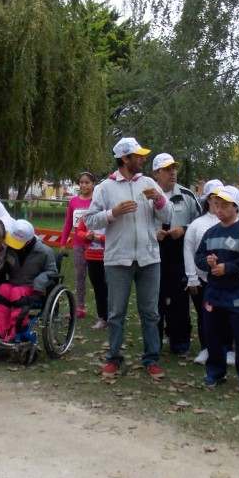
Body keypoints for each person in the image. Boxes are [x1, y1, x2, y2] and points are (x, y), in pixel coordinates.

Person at [84, 137, 172, 379]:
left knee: (151, 313)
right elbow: (89, 220)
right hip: (118, 260)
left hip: (149, 258)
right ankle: (114, 359)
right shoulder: (105, 187)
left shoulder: (149, 183)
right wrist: (113, 213)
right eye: (138, 155)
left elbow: (167, 215)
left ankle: (152, 359)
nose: (143, 159)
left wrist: (158, 199)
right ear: (125, 158)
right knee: (116, 314)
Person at [195, 185, 239, 394]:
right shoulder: (211, 232)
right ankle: (215, 372)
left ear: (235, 207)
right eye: (217, 205)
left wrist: (229, 268)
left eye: (224, 205)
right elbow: (199, 256)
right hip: (215, 293)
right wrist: (208, 262)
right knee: (213, 335)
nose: (219, 209)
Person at [152, 153, 201, 356]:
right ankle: (154, 342)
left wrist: (184, 229)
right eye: (167, 169)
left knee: (180, 299)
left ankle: (180, 342)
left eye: (174, 168)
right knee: (155, 299)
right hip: (153, 254)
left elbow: (201, 223)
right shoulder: (147, 195)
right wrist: (152, 233)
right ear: (156, 173)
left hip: (180, 253)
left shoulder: (187, 195)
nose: (173, 172)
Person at [0, 219, 57, 341]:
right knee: (3, 289)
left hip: (32, 286)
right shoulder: (10, 248)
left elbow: (52, 271)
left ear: (28, 241)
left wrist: (40, 281)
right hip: (15, 282)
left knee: (17, 292)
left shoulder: (44, 251)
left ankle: (17, 331)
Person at [184, 179, 223, 363]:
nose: (219, 201)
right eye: (215, 197)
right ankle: (206, 348)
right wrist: (192, 278)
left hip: (225, 279)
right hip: (202, 280)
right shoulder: (197, 224)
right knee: (205, 315)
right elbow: (189, 251)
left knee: (225, 315)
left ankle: (226, 349)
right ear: (208, 199)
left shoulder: (232, 222)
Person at [60, 171, 96, 320]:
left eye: (87, 182)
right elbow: (68, 223)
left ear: (93, 184)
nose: (83, 185)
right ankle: (80, 307)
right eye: (81, 182)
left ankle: (105, 309)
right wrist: (63, 242)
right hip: (78, 244)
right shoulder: (73, 201)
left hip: (95, 244)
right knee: (80, 276)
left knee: (98, 278)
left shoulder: (96, 200)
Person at [75, 208, 108, 329]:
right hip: (92, 257)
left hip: (109, 257)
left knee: (110, 288)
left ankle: (114, 317)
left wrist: (101, 238)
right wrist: (86, 236)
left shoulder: (112, 213)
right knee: (98, 288)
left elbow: (119, 234)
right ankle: (103, 318)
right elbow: (79, 231)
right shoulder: (87, 214)